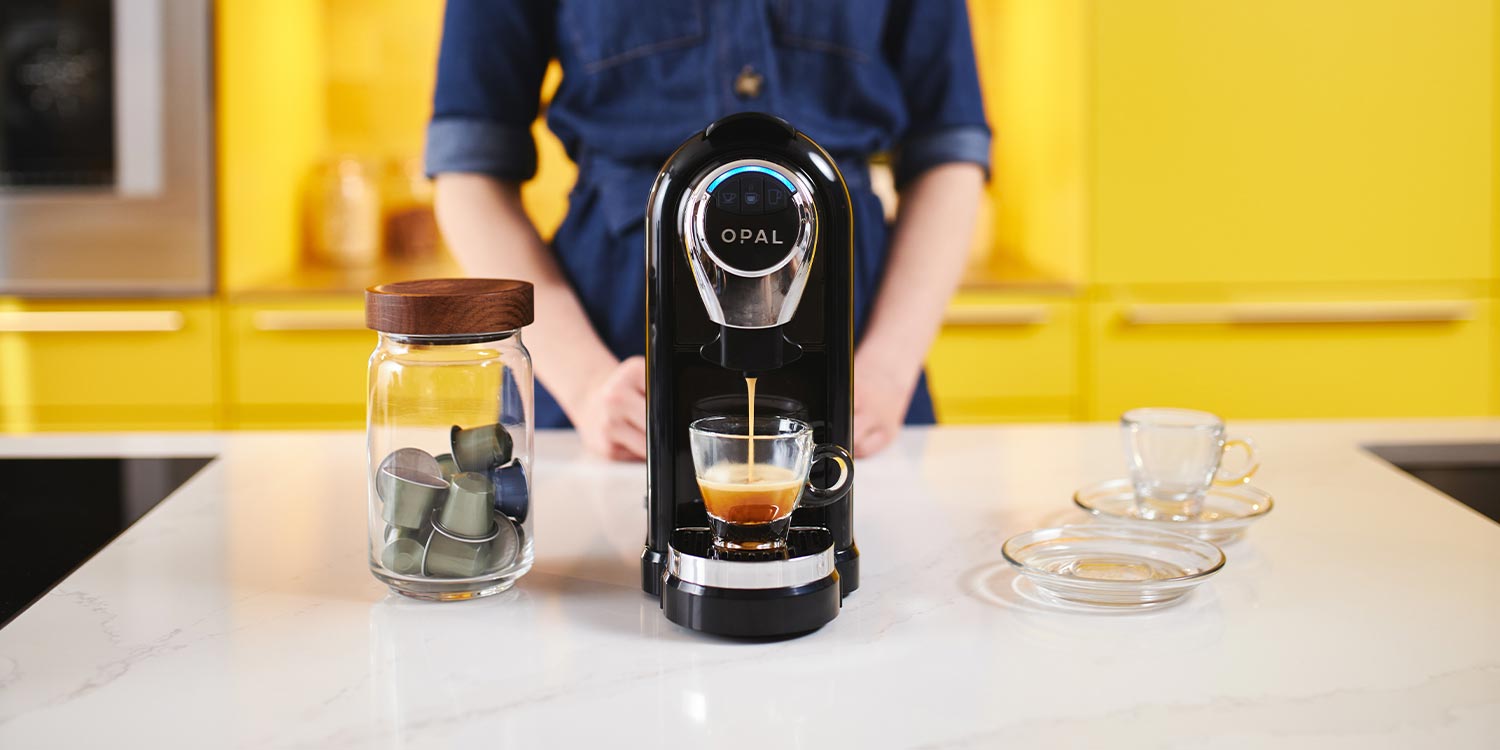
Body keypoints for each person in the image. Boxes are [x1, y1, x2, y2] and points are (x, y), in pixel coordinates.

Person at [428, 0, 988, 460]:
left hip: (859, 353)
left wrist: (888, 370)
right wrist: (584, 382)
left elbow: (949, 153)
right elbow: (470, 170)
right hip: (604, 353)